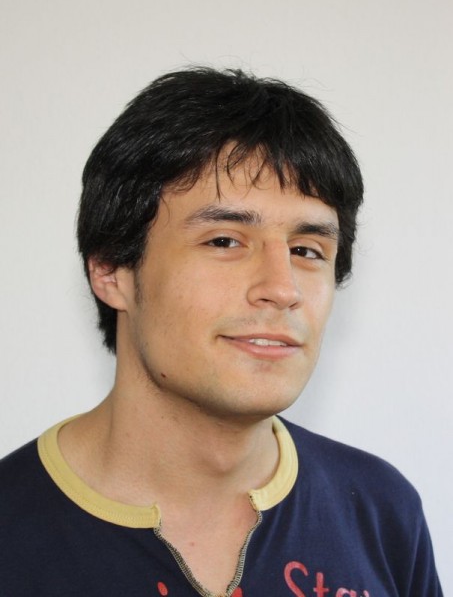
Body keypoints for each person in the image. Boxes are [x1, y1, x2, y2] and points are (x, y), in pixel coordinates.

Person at [0, 67, 442, 597]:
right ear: (112, 271)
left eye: (307, 251)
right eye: (225, 241)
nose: (282, 288)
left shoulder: (381, 512)